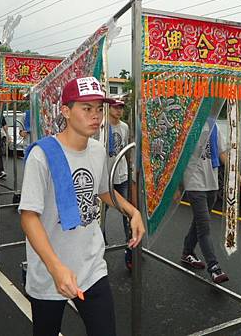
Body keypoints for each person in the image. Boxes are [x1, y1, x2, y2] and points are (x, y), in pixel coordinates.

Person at [19, 77, 145, 336]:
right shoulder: (42, 155)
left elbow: (103, 192)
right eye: (86, 109)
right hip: (49, 270)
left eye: (99, 109)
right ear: (66, 111)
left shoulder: (97, 150)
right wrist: (56, 267)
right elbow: (29, 217)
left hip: (91, 266)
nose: (96, 116)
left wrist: (133, 211)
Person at [180, 116, 241, 284]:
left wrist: (237, 177)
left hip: (211, 181)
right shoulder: (186, 122)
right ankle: (214, 267)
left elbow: (221, 154)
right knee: (204, 225)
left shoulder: (212, 124)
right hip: (193, 182)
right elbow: (178, 158)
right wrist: (178, 187)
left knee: (198, 221)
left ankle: (187, 252)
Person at [104, 99, 132, 264]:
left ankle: (131, 246)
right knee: (101, 212)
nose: (119, 110)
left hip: (121, 175)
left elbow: (126, 149)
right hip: (105, 177)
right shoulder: (101, 126)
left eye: (121, 107)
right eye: (116, 107)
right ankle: (101, 242)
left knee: (127, 211)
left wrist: (129, 168)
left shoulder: (125, 127)